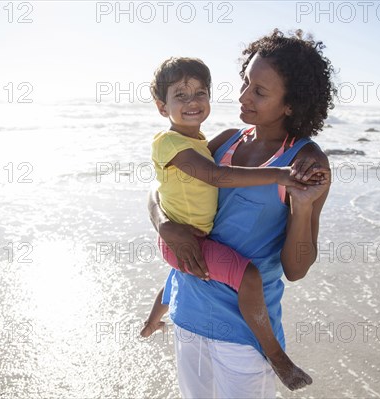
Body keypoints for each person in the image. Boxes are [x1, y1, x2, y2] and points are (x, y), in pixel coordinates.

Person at [148, 29, 334, 397]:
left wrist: (303, 207)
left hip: (245, 337)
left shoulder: (305, 163)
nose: (243, 96)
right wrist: (164, 223)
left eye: (260, 92)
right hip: (188, 314)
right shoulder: (226, 141)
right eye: (246, 82)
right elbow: (160, 186)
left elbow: (296, 269)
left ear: (291, 104)